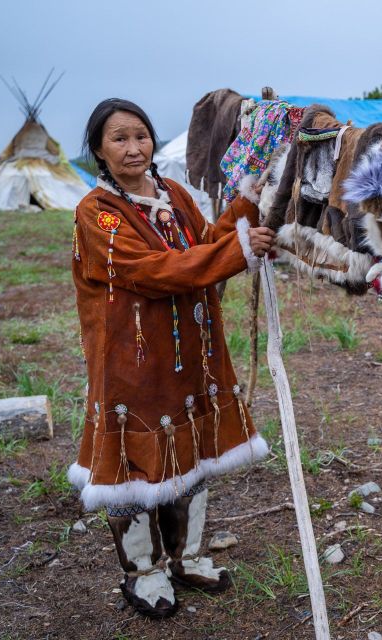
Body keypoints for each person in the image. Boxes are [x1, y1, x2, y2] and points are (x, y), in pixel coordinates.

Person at [67, 98, 276, 618]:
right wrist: (237, 251)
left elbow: (206, 242)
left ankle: (186, 557)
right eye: (119, 139)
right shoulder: (97, 212)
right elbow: (152, 270)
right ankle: (143, 572)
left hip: (188, 354)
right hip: (132, 360)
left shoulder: (173, 194)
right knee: (133, 464)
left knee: (192, 448)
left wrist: (246, 204)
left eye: (141, 136)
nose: (133, 148)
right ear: (98, 149)